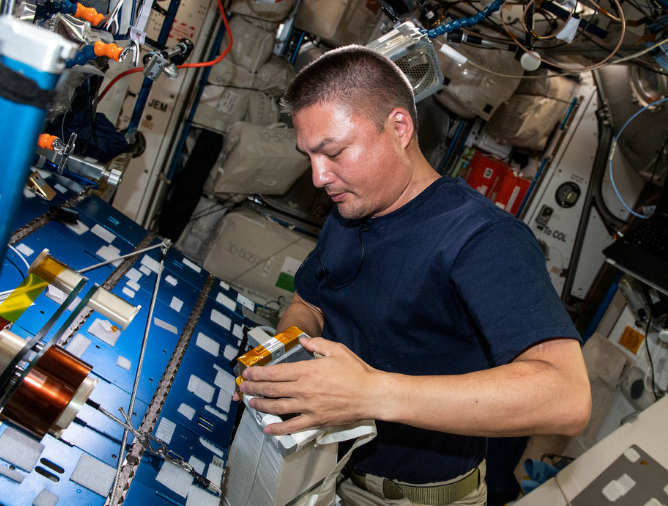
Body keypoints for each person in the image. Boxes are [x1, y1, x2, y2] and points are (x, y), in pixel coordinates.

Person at [237, 45, 591, 506]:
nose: (319, 176)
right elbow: (310, 305)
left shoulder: (482, 239)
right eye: (309, 156)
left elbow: (566, 397)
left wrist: (369, 393)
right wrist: (281, 365)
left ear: (398, 128)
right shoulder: (347, 212)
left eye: (334, 152)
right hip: (327, 468)